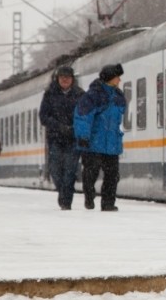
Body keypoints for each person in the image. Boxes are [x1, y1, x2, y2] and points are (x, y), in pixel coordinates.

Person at [74, 63, 126, 212]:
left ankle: (108, 203)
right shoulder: (92, 96)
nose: (119, 81)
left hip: (112, 143)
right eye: (117, 78)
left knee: (112, 175)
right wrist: (83, 136)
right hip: (93, 143)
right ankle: (89, 196)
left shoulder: (118, 95)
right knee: (91, 172)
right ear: (110, 79)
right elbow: (83, 116)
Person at [39, 65, 85, 210]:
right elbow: (43, 116)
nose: (65, 80)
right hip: (55, 139)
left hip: (73, 139)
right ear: (57, 79)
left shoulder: (80, 95)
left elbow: (85, 115)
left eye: (68, 77)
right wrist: (59, 126)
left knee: (70, 170)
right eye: (62, 77)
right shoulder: (49, 94)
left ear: (72, 79)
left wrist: (75, 128)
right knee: (56, 171)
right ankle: (62, 192)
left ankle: (66, 201)